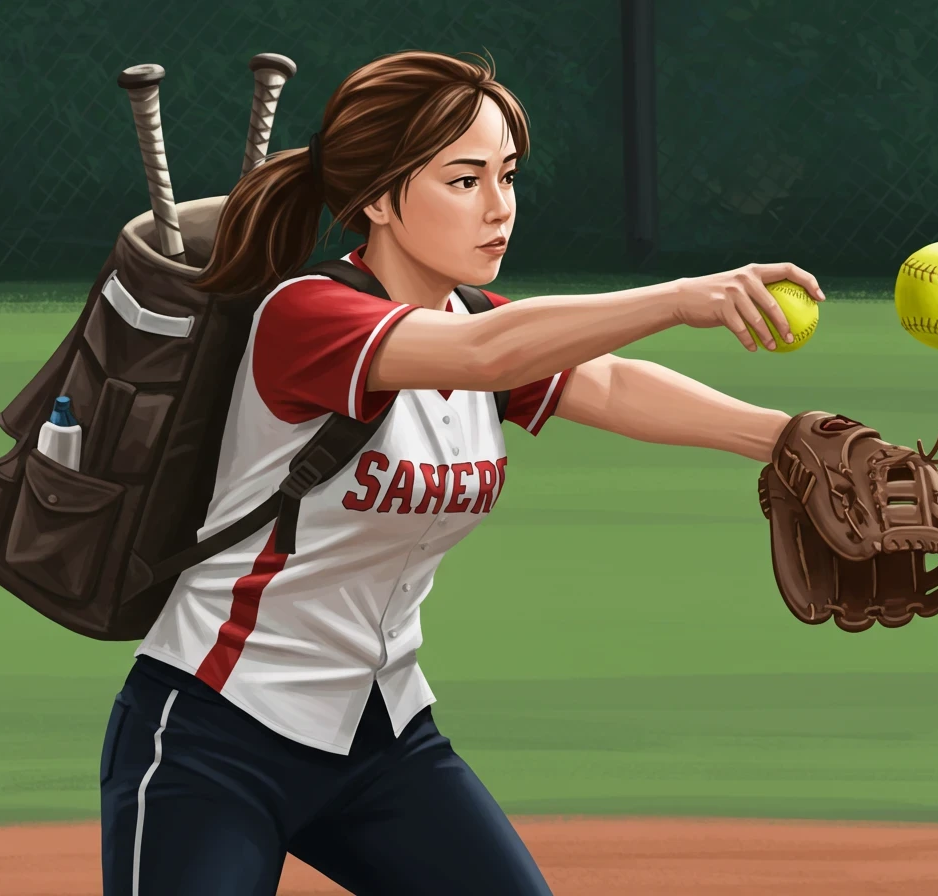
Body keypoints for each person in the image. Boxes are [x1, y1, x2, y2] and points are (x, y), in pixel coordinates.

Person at [98, 49, 824, 896]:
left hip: (381, 736)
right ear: (376, 197)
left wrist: (793, 439)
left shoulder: (471, 318)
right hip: (216, 733)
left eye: (508, 177)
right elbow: (484, 355)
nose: (499, 209)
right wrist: (678, 299)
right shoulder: (309, 316)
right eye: (464, 180)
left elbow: (610, 383)